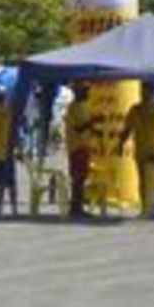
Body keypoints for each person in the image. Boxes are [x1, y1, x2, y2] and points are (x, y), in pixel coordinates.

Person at [120, 82, 154, 214]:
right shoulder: (135, 110)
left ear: (153, 94)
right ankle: (145, 208)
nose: (145, 95)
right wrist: (120, 144)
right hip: (142, 152)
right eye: (143, 91)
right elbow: (127, 129)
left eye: (147, 92)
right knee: (143, 182)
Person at [65, 84, 94, 218]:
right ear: (78, 92)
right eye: (85, 91)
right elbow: (79, 128)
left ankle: (78, 206)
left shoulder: (84, 105)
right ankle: (76, 207)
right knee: (78, 178)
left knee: (82, 177)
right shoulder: (74, 107)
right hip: (77, 147)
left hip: (84, 145)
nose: (88, 93)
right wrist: (92, 123)